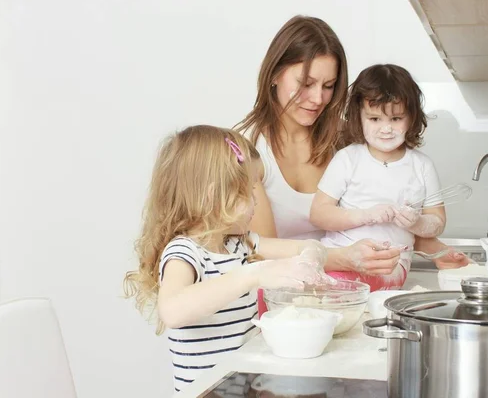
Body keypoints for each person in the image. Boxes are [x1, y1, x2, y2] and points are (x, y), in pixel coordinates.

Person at [236, 15, 469, 276]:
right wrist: (341, 258)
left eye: (329, 86)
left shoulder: (345, 142)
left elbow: (383, 219)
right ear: (274, 74)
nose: (317, 98)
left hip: (340, 292)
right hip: (279, 296)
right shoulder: (244, 152)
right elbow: (260, 252)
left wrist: (438, 252)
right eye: (306, 84)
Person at [123, 126, 336, 393]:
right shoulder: (185, 253)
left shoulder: (238, 244)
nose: (257, 203)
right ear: (215, 196)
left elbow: (307, 246)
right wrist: (252, 275)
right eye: (249, 192)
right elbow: (173, 311)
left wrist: (311, 259)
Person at [310, 64, 446, 290]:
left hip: (390, 267)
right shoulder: (348, 159)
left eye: (395, 119)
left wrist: (418, 222)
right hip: (340, 258)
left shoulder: (421, 166)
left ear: (411, 117)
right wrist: (367, 215)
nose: (386, 129)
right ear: (359, 117)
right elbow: (319, 214)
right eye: (374, 119)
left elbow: (437, 222)